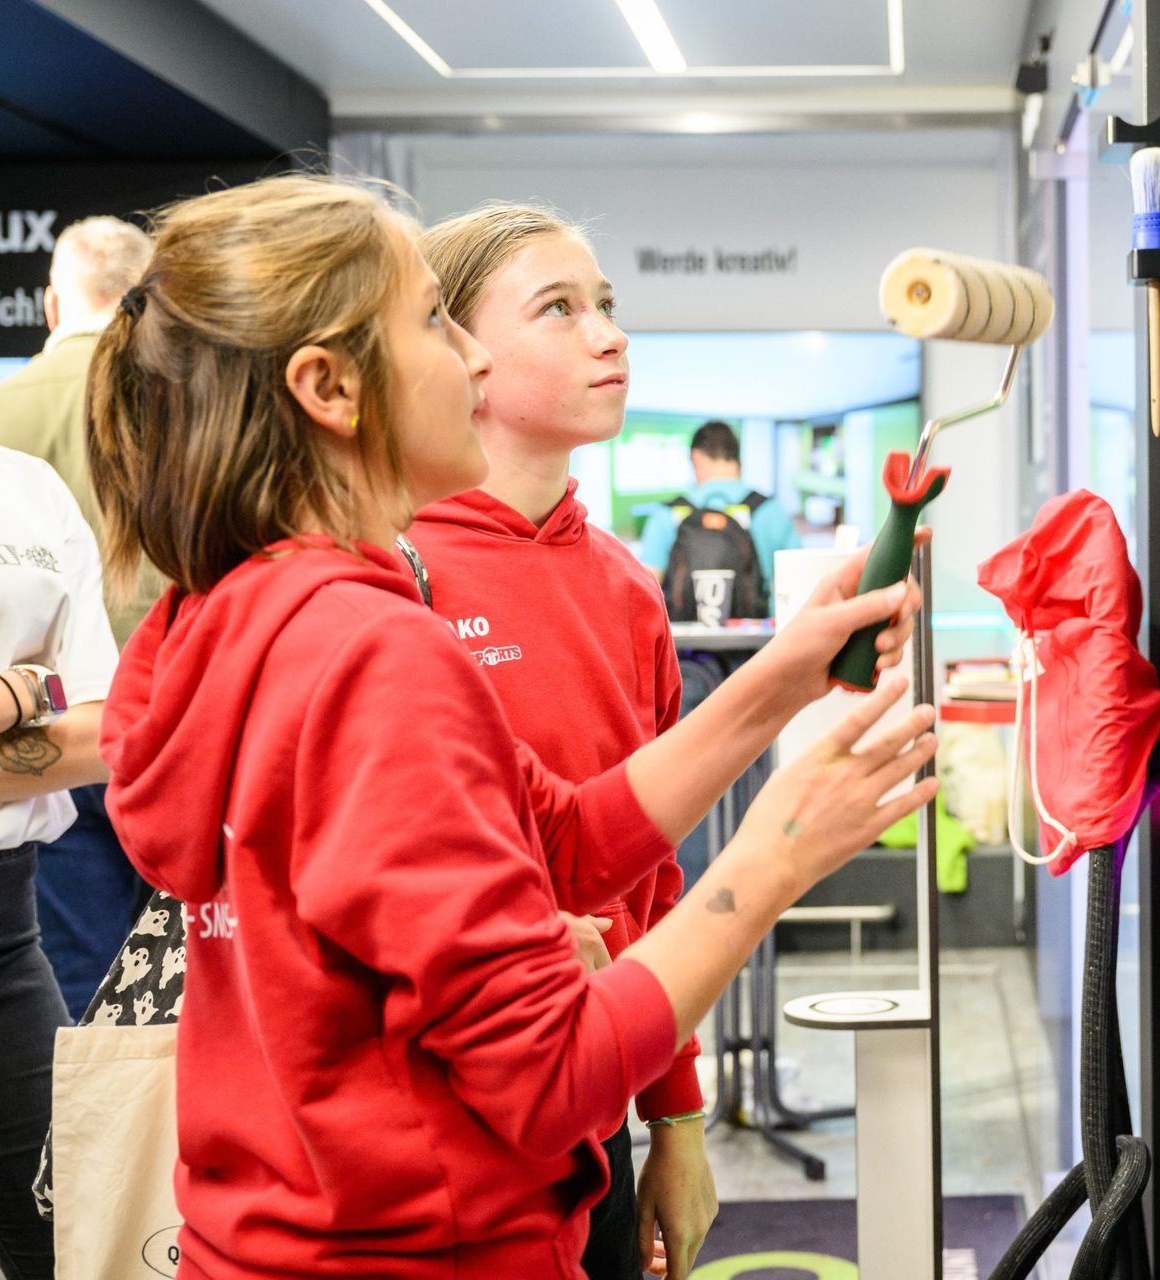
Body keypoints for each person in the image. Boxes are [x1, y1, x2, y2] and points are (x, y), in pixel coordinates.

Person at [83, 173, 938, 1279]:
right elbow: (550, 1074)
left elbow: (567, 840)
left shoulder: (230, 612)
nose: (472, 362)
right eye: (435, 322)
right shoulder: (374, 652)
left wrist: (780, 678)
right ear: (330, 387)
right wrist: (779, 849)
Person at [414, 204, 916, 1279]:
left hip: (590, 1098)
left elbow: (634, 874)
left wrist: (673, 1115)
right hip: (438, 1124)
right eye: (559, 308)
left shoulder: (626, 587)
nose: (610, 334)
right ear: (460, 354)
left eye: (606, 304)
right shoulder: (393, 579)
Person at [0, 214, 160, 1017]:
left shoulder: (6, 410)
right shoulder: (191, 401)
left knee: (83, 980)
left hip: (55, 742)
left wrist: (23, 691)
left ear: (52, 306)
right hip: (165, 717)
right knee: (175, 978)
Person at [0, 442, 118, 1280]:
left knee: (71, 1243)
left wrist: (44, 696)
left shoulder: (32, 488)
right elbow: (65, 699)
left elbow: (103, 728)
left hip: (2, 937)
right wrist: (23, 689)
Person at [639, 420, 800, 619]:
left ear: (696, 457)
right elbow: (798, 585)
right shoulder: (770, 510)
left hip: (682, 637)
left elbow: (647, 592)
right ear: (737, 459)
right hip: (755, 635)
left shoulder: (667, 514)